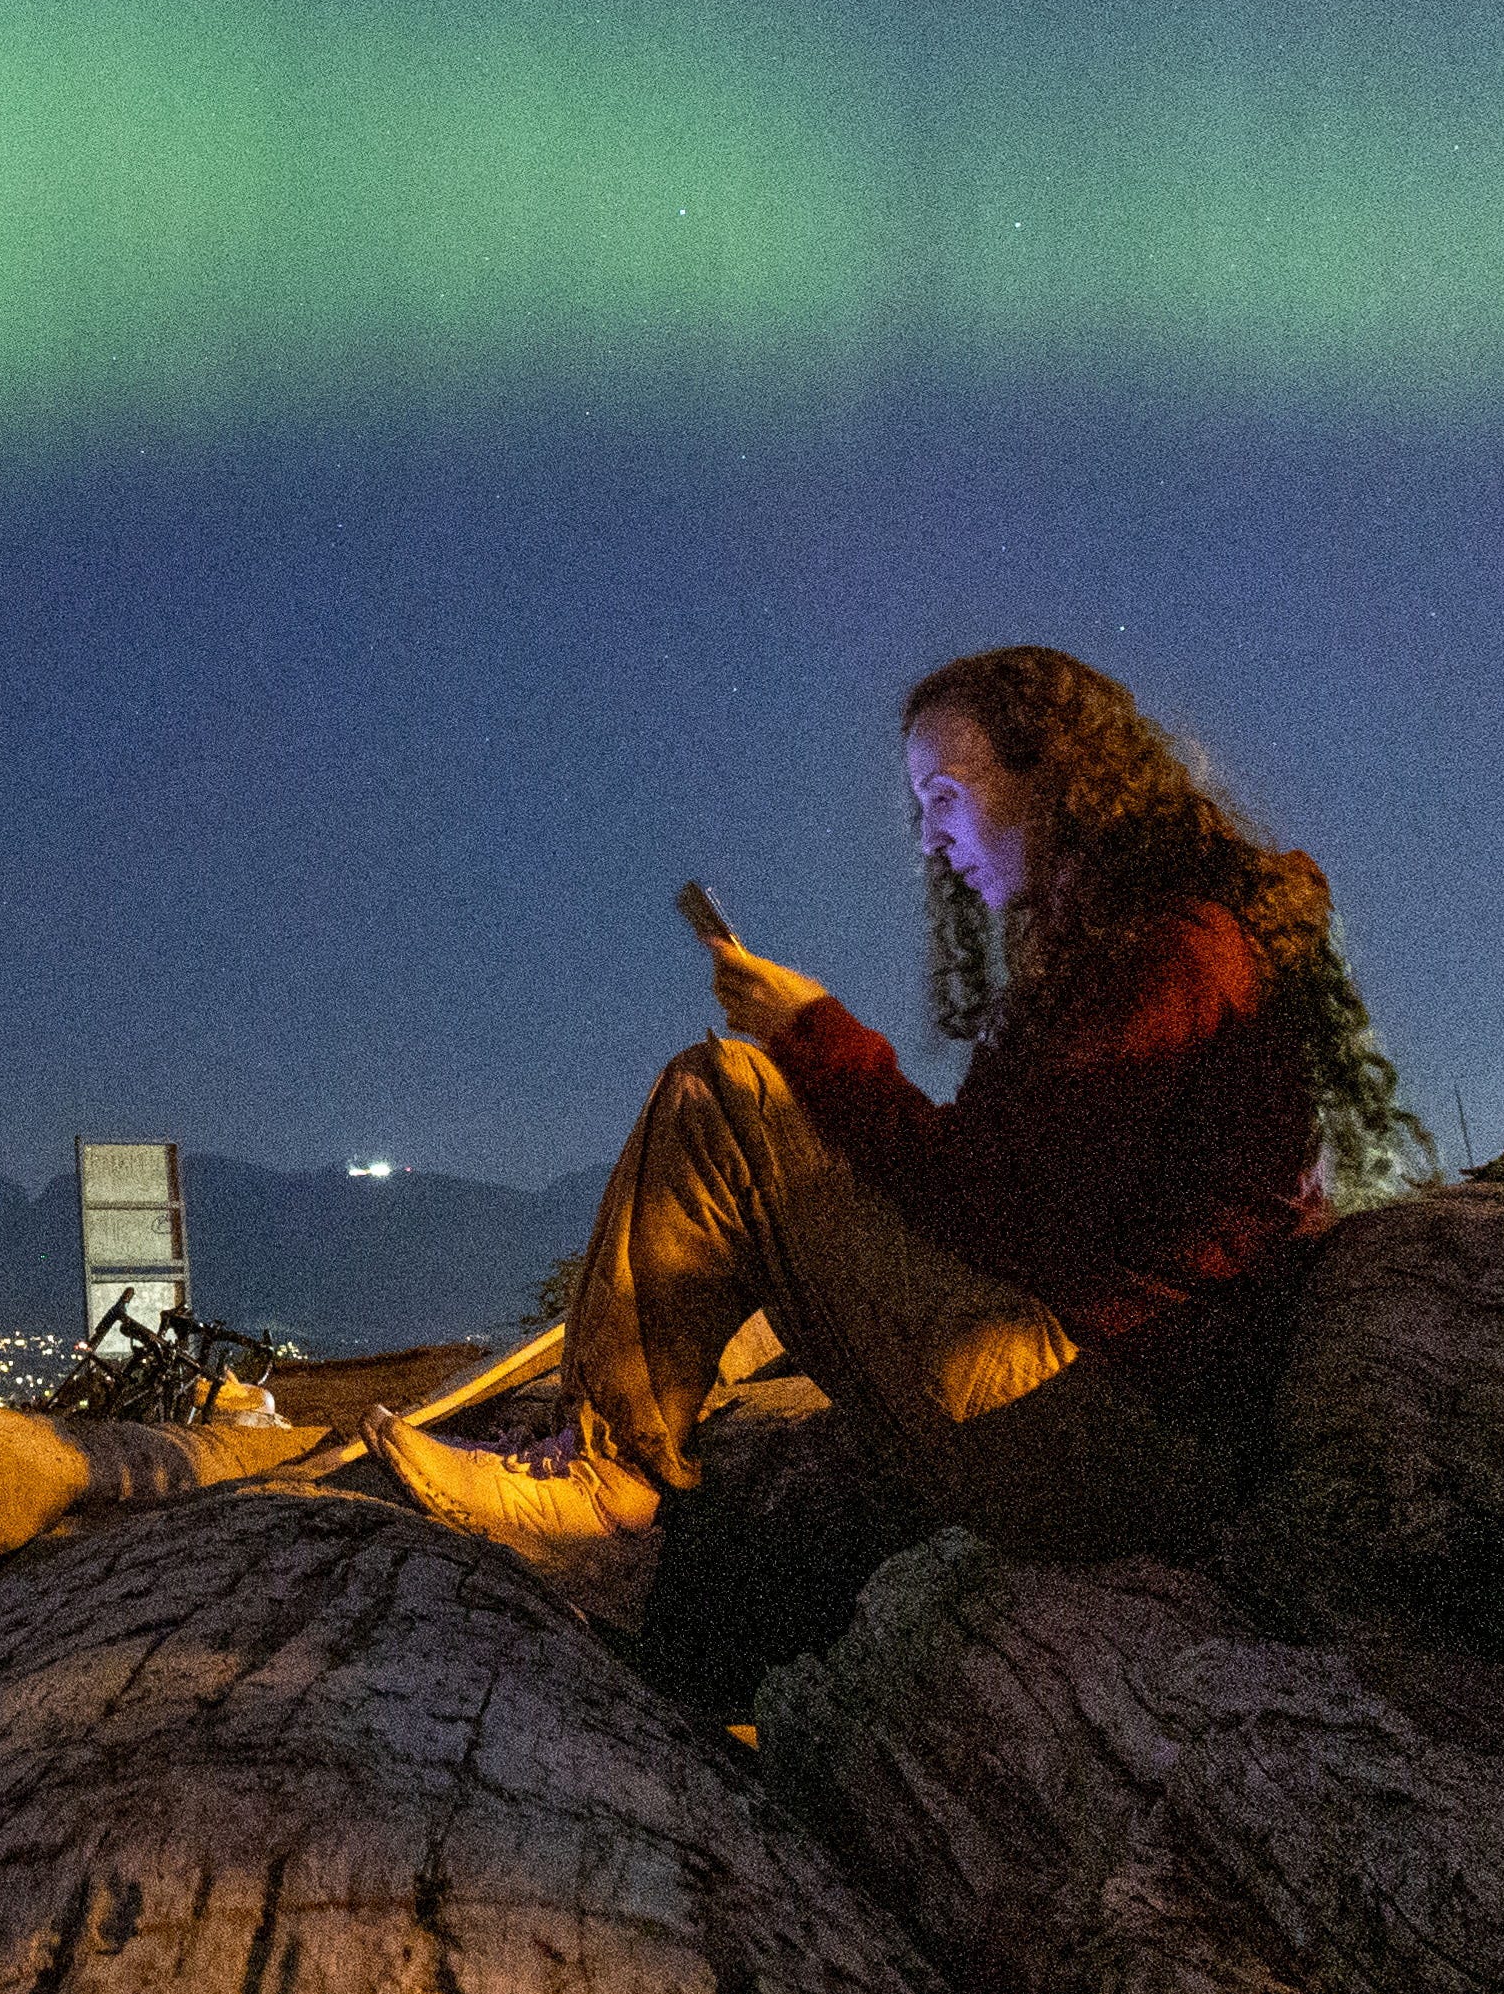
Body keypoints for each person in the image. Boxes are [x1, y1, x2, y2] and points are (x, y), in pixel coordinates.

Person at [374, 644, 1429, 1610]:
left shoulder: (1172, 955)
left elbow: (994, 1211)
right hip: (1122, 1415)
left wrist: (814, 1035)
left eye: (945, 795)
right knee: (748, 1101)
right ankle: (620, 1485)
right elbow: (1008, 1189)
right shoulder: (1122, 938)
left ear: (1053, 779)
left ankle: (606, 1489)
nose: (929, 836)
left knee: (724, 1098)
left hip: (1116, 1434)